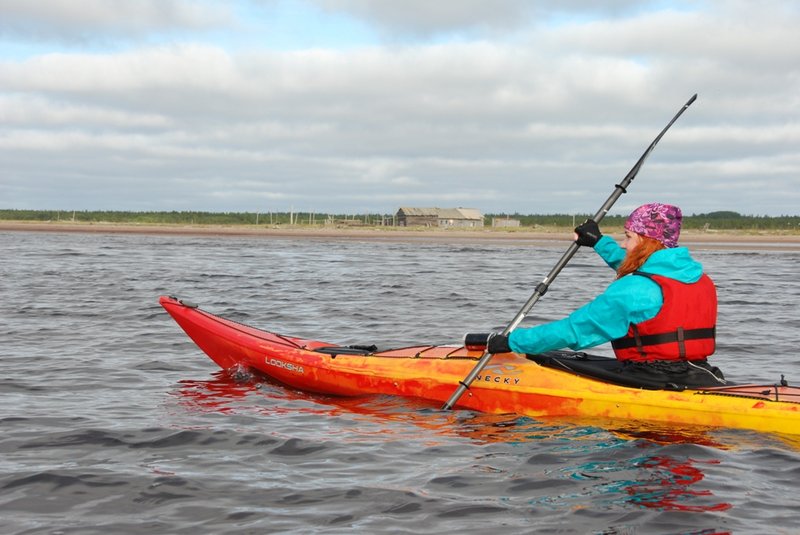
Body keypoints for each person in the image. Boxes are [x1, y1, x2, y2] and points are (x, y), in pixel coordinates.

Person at [476, 203, 724, 384]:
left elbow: (575, 331)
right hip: (698, 372)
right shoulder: (700, 278)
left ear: (647, 241)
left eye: (627, 238)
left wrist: (511, 341)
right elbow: (644, 273)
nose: (624, 245)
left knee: (552, 355)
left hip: (650, 377)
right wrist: (597, 241)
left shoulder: (635, 289)